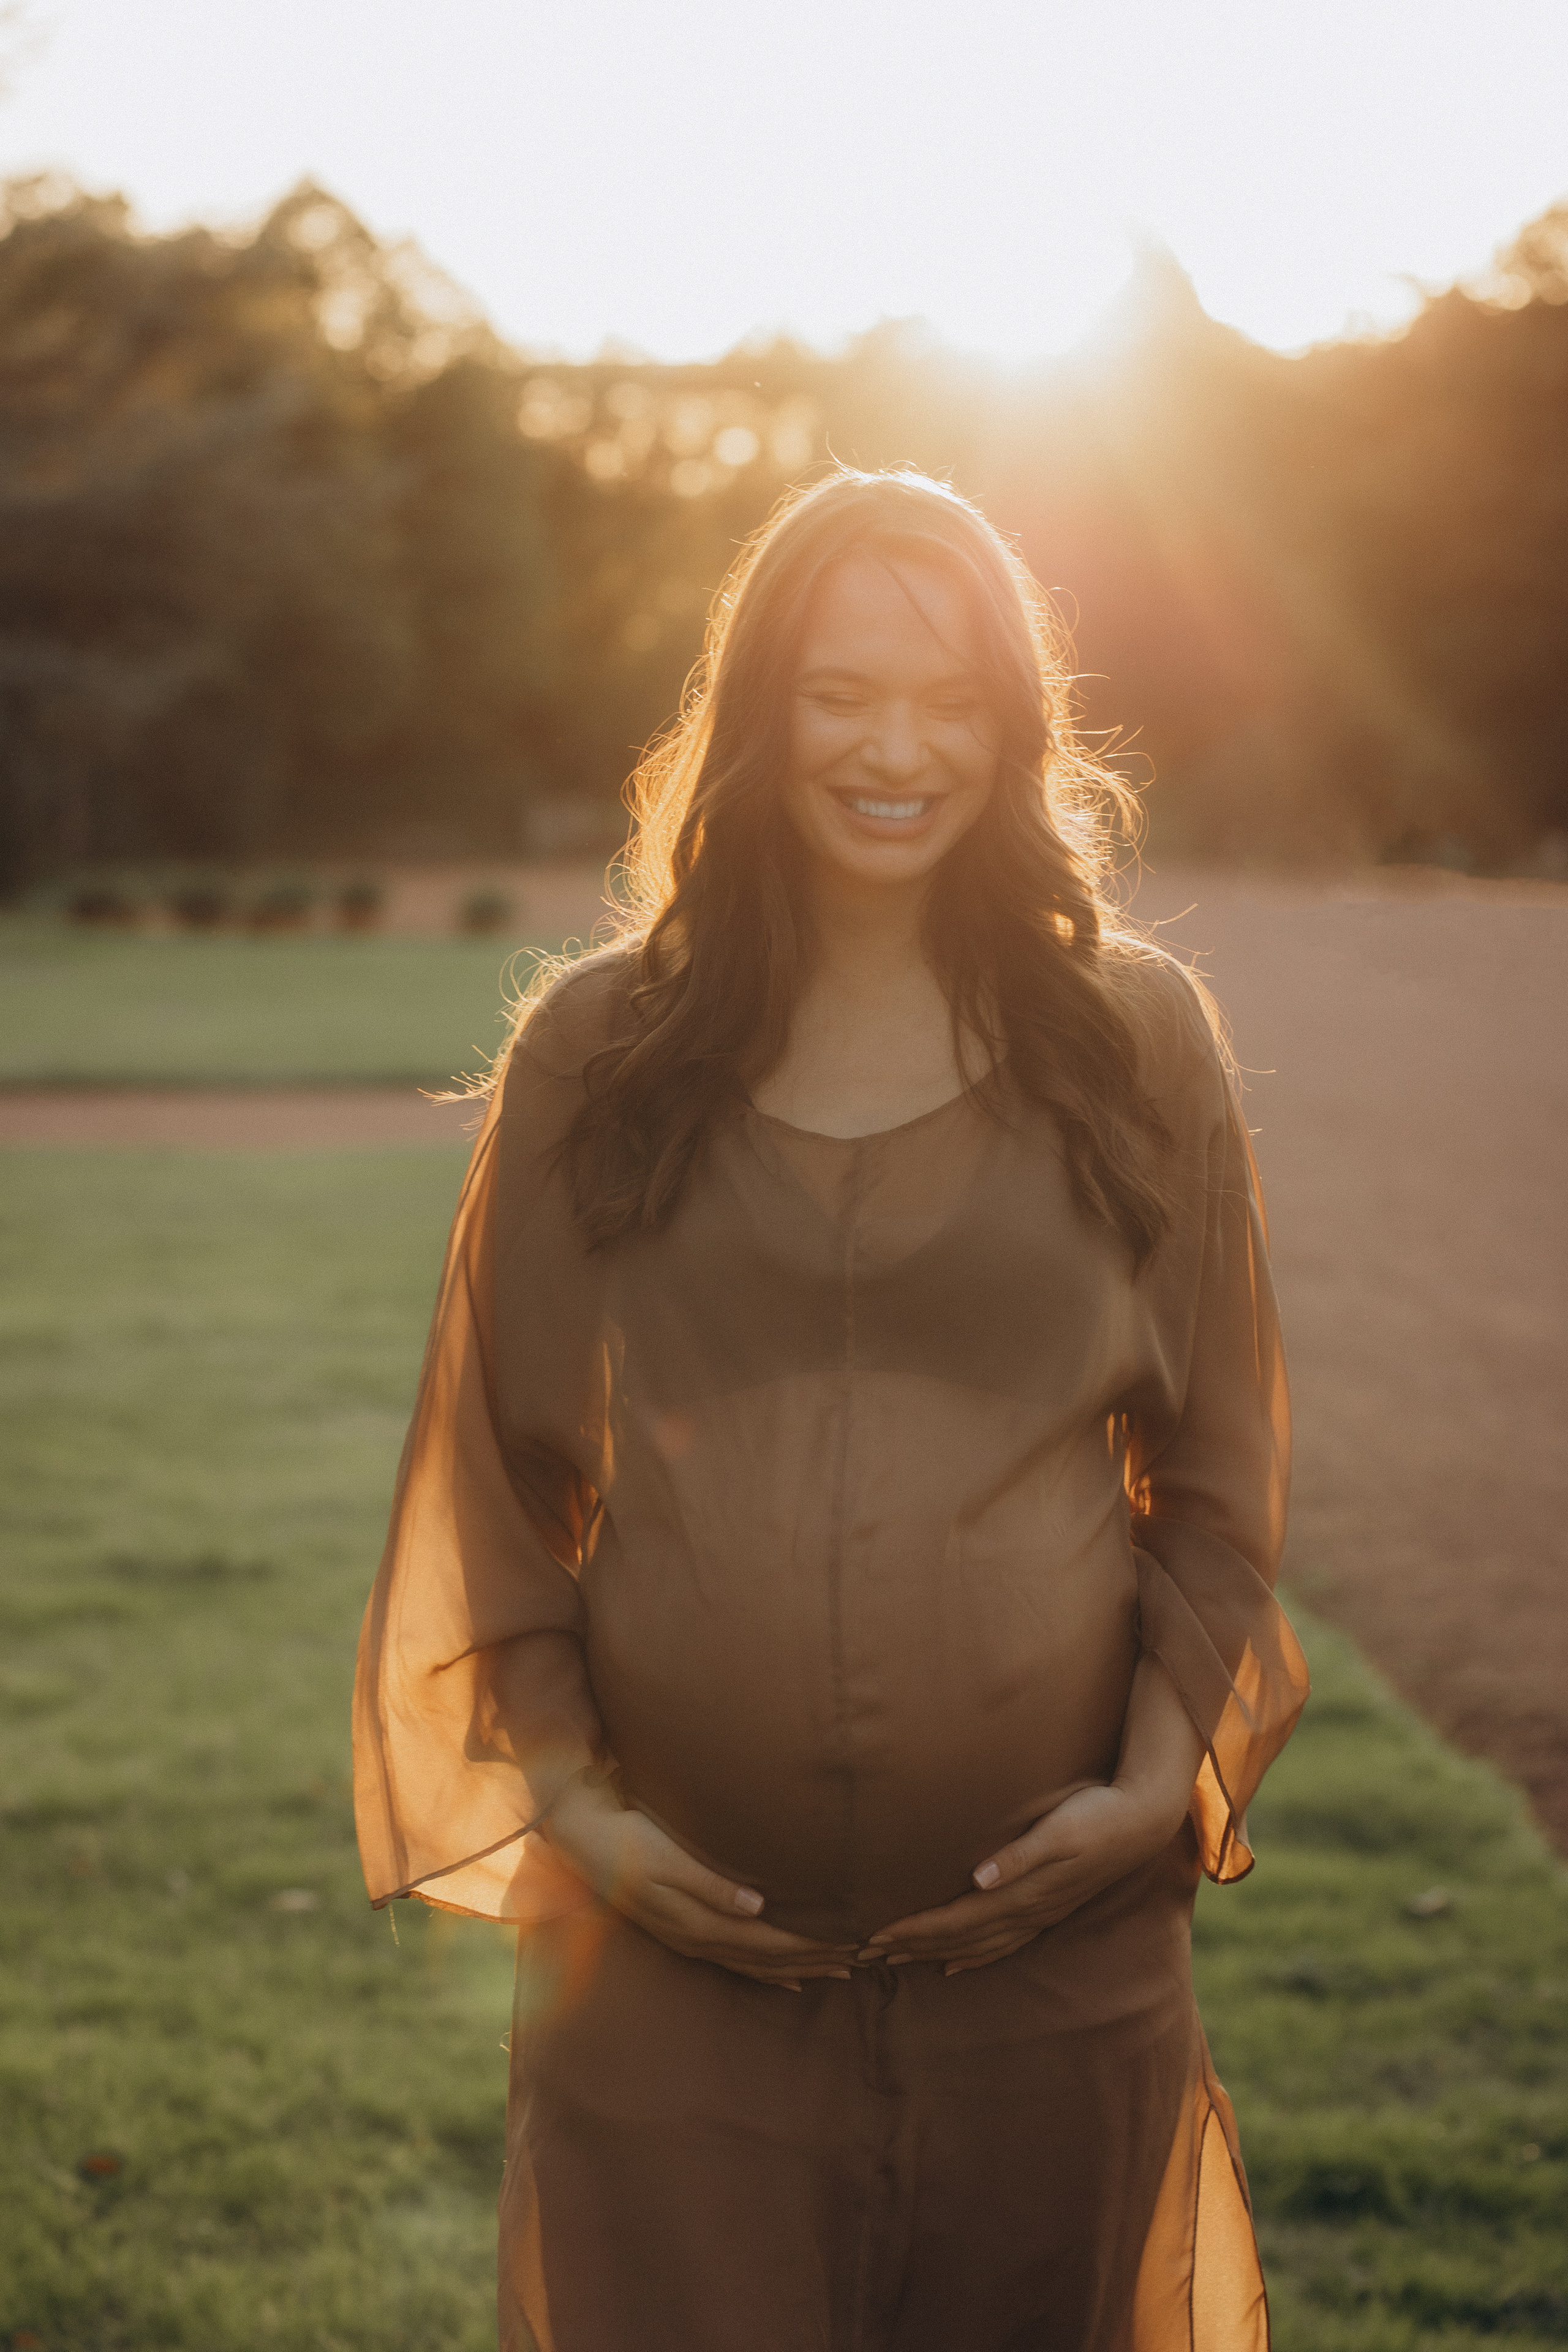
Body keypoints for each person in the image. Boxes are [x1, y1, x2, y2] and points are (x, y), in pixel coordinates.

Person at [353, 466, 1309, 2351]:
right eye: (844, 690)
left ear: (1017, 729)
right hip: (669, 1977)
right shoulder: (598, 1052)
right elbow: (496, 1482)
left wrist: (1146, 1784)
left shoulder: (1139, 1041)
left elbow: (1216, 1469)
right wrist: (580, 1808)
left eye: (956, 700)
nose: (899, 747)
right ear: (756, 707)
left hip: (1054, 1975)